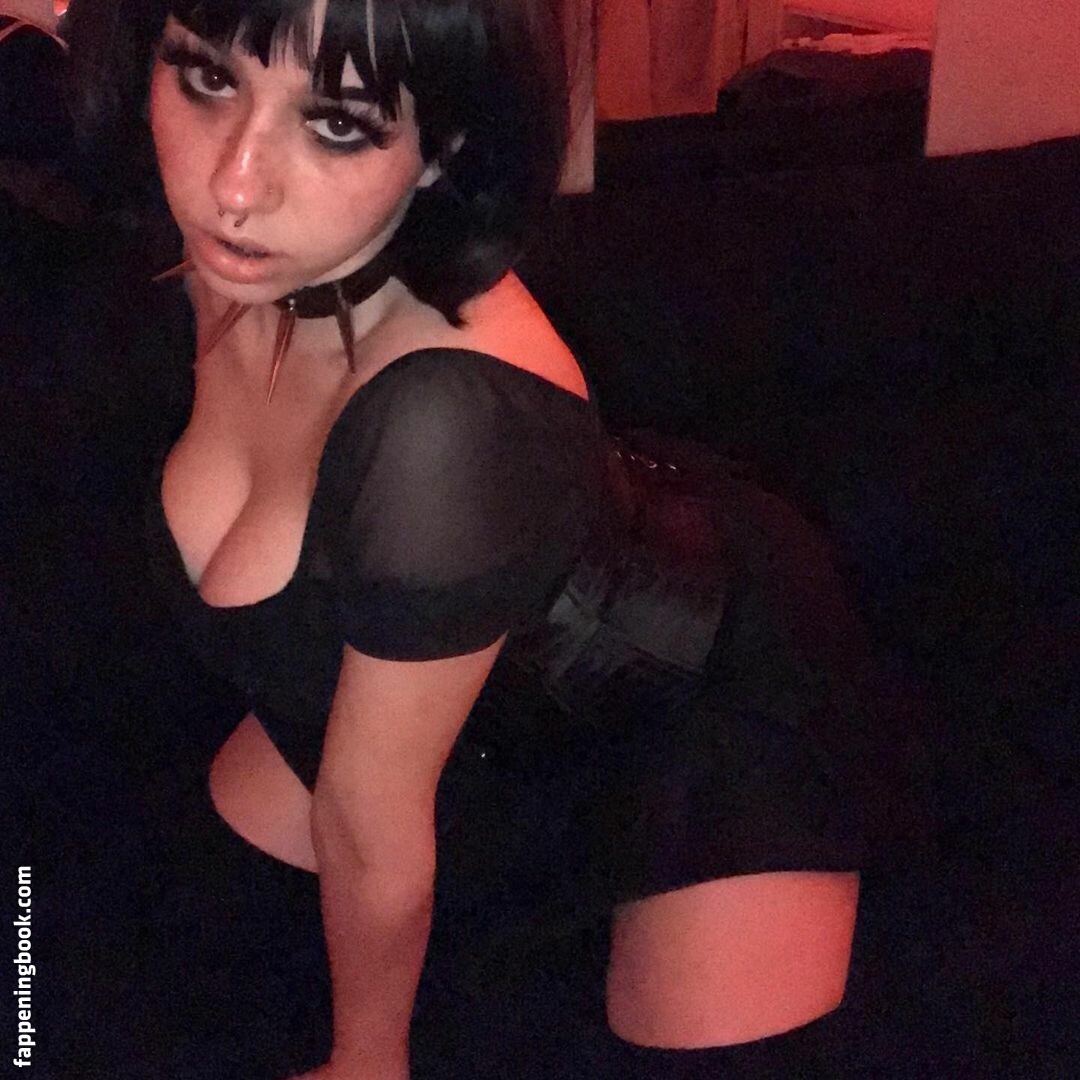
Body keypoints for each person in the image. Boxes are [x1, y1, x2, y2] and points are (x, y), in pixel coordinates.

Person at [57, 1, 893, 1077]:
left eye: (339, 123)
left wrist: (366, 1063)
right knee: (147, 929)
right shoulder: (238, 257)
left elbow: (372, 823)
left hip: (695, 707)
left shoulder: (448, 424)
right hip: (477, 651)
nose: (235, 184)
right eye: (210, 79)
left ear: (443, 147)